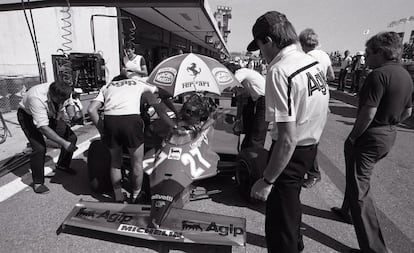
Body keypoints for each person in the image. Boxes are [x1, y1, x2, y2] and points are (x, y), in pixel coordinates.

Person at [248, 11, 330, 253]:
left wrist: (266, 180)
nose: (261, 54)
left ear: (269, 41)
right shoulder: (312, 62)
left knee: (279, 222)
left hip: (291, 153)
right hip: (309, 146)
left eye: (260, 47)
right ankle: (295, 243)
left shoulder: (280, 70)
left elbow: (286, 138)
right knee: (291, 206)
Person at [331, 31, 413, 253]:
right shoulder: (405, 75)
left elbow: (368, 112)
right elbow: (407, 111)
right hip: (389, 132)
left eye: (368, 53)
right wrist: (389, 122)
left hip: (371, 134)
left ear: (381, 53)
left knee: (360, 190)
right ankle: (347, 211)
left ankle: (374, 249)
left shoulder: (378, 75)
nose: (365, 57)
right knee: (357, 175)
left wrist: (355, 135)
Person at [87, 74, 177, 203]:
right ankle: (135, 195)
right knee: (137, 163)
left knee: (115, 162)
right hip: (131, 120)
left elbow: (91, 110)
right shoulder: (138, 83)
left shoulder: (107, 86)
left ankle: (118, 196)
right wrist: (173, 126)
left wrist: (103, 131)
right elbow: (161, 102)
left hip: (110, 120)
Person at [17, 81, 78, 194]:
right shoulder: (36, 98)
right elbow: (43, 128)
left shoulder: (63, 91)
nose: (63, 102)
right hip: (27, 116)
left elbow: (69, 104)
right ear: (52, 95)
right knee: (39, 148)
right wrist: (64, 144)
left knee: (71, 138)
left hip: (48, 114)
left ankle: (62, 165)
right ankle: (38, 182)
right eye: (61, 100)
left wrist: (72, 116)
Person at [299, 28, 335, 188]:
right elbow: (332, 76)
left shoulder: (307, 57)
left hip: (310, 99)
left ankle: (313, 173)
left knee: (306, 137)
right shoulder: (324, 55)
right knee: (313, 136)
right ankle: (310, 172)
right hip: (323, 97)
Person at [225, 62, 268, 150]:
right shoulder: (244, 83)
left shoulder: (241, 72)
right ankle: (245, 150)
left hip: (264, 98)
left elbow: (231, 85)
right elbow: (240, 101)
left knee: (258, 131)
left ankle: (254, 155)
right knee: (250, 128)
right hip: (256, 99)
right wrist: (238, 119)